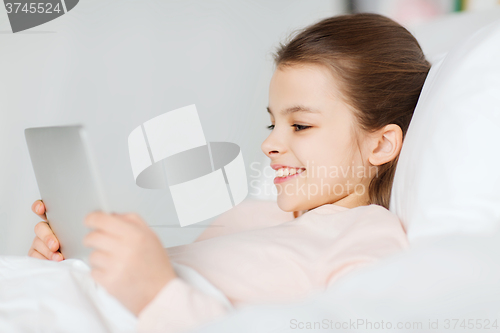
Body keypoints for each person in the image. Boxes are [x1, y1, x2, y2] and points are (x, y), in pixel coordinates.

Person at [27, 13, 431, 333]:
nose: (269, 144)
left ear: (380, 144)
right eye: (272, 124)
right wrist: (74, 262)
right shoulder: (246, 216)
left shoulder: (367, 237)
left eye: (301, 125)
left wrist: (156, 294)